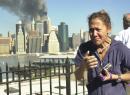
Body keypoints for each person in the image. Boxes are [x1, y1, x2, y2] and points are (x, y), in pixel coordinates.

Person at [74, 10, 130, 95]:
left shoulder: (120, 48)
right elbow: (77, 77)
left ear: (108, 28)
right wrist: (83, 66)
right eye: (91, 30)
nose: (94, 34)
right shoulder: (84, 48)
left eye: (98, 29)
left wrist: (114, 76)